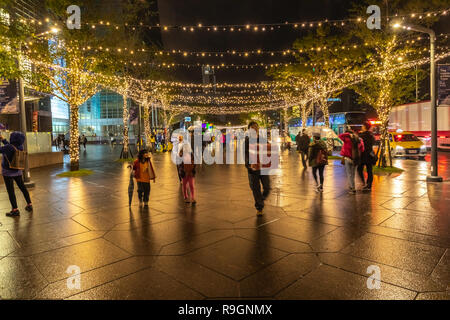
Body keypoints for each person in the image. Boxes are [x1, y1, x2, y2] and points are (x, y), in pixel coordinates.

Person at [0, 132, 33, 217]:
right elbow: (11, 147)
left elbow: (4, 148)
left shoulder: (8, 147)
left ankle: (15, 210)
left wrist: (2, 141)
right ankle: (29, 204)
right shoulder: (20, 146)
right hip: (18, 171)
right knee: (23, 187)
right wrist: (3, 139)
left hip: (8, 173)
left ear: (13, 138)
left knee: (11, 191)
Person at [245, 121, 271, 216]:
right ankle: (259, 207)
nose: (255, 129)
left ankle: (260, 199)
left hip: (263, 167)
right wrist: (249, 165)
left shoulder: (263, 139)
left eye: (256, 127)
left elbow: (269, 150)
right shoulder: (247, 140)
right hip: (252, 169)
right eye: (252, 128)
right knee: (255, 188)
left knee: (267, 187)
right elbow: (244, 154)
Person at [339, 127, 364, 194]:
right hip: (355, 159)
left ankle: (352, 188)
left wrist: (347, 134)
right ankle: (352, 186)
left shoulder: (347, 139)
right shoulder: (359, 139)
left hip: (348, 158)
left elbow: (340, 136)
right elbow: (362, 149)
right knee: (353, 173)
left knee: (349, 174)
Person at [357, 122, 376, 191]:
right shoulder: (371, 135)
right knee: (369, 170)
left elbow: (358, 143)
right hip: (370, 155)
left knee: (359, 169)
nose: (362, 127)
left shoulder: (361, 135)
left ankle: (363, 182)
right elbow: (373, 142)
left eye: (362, 126)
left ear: (364, 127)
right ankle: (369, 185)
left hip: (363, 155)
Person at [178, 134, 196, 204]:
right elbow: (180, 165)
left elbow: (194, 163)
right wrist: (183, 171)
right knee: (185, 185)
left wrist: (192, 170)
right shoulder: (181, 155)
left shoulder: (191, 155)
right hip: (184, 173)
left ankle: (193, 197)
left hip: (191, 173)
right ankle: (185, 196)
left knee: (191, 185)